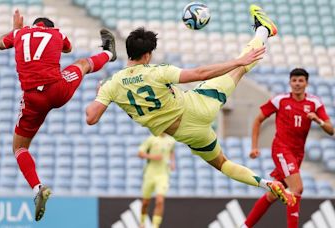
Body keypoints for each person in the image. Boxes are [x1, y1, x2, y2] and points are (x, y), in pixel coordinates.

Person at [86, 4, 297, 207]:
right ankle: (263, 31)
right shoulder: (157, 71)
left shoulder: (112, 84)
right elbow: (198, 74)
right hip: (197, 106)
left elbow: (91, 118)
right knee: (240, 68)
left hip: (187, 134)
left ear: (129, 51)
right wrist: (236, 62)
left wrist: (101, 95)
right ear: (148, 55)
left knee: (223, 164)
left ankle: (266, 184)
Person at [0, 10, 117, 221]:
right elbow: (68, 49)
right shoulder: (56, 34)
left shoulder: (19, 34)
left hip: (33, 98)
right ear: (49, 27)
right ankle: (108, 53)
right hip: (57, 89)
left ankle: (37, 188)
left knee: (19, 148)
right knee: (82, 64)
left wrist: (17, 31)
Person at [241, 68, 334, 228]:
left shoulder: (314, 103)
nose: (297, 84)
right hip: (282, 149)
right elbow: (258, 120)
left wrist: (318, 120)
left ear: (306, 83)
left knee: (273, 194)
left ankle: (245, 226)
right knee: (297, 189)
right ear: (290, 83)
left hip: (298, 153)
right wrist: (254, 146)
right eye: (294, 81)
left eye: (301, 81)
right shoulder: (280, 100)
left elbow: (331, 130)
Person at [138, 133, 176, 228]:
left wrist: (172, 162)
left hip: (163, 175)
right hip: (150, 174)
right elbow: (140, 153)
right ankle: (142, 221)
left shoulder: (171, 141)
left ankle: (155, 225)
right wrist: (152, 157)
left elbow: (172, 151)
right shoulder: (151, 139)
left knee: (160, 201)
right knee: (145, 202)